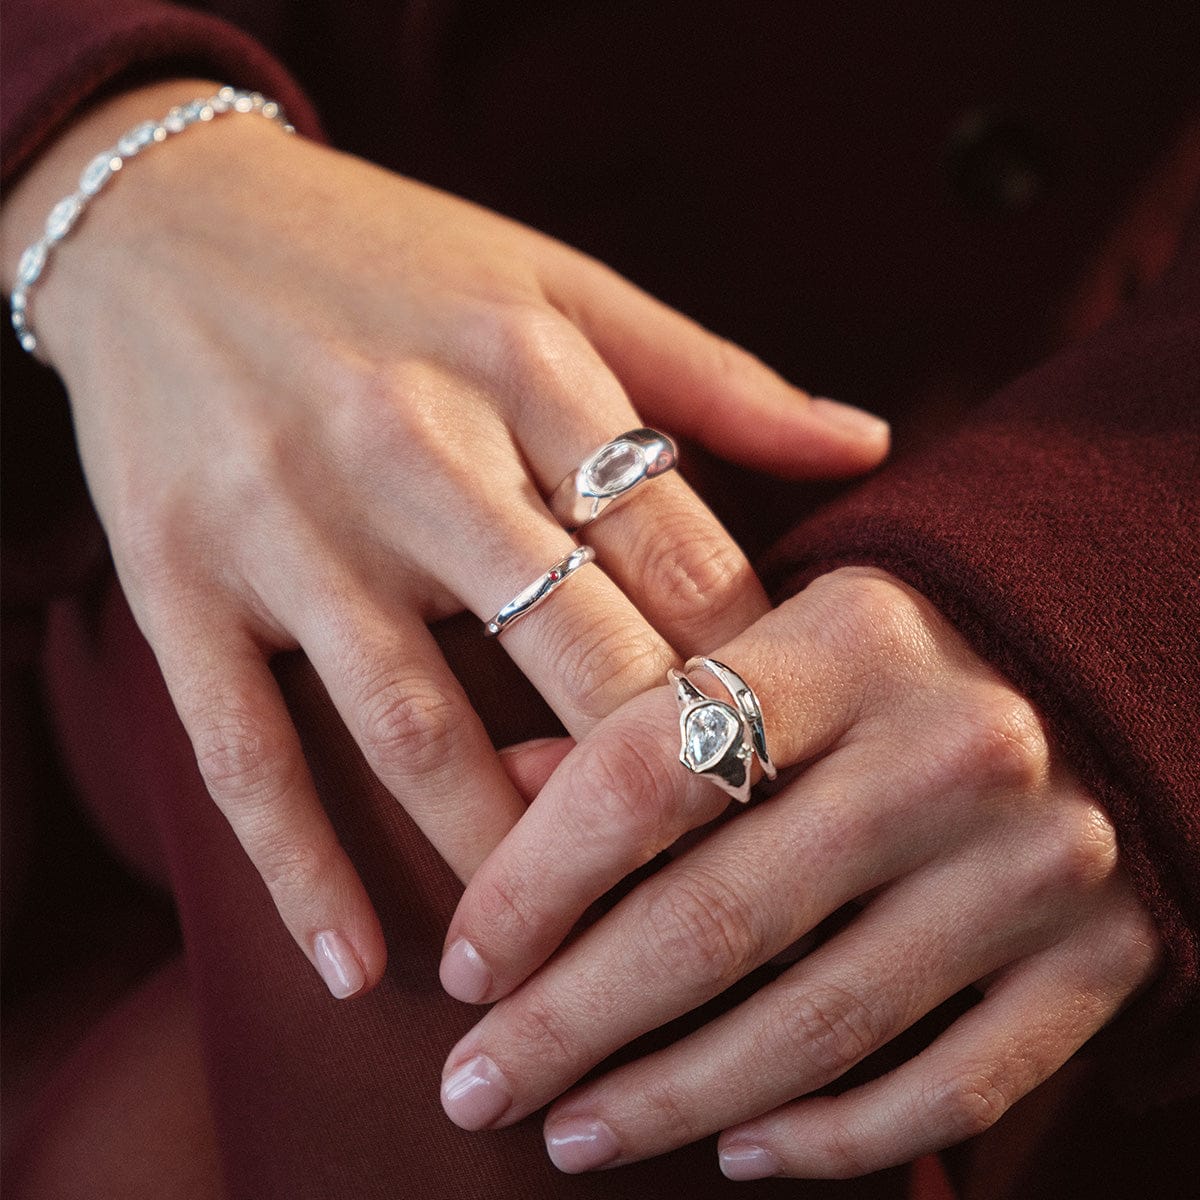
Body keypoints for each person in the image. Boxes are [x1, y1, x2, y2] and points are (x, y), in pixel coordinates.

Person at [2, 2, 1197, 1197]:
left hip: (1075, 418)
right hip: (241, 328)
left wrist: (1118, 601)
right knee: (471, 768)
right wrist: (114, 162)